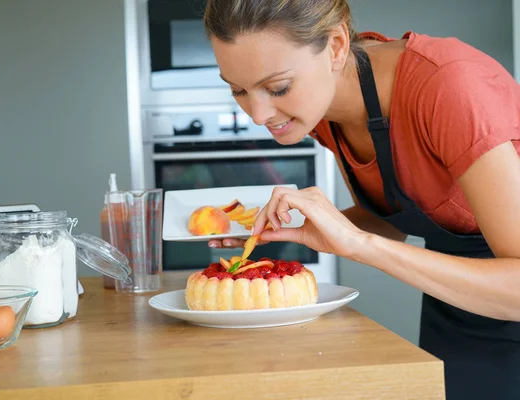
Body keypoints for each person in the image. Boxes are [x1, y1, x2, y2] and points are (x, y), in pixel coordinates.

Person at [203, 1, 520, 399]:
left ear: (336, 45)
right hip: (457, 303)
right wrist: (302, 231)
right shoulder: (324, 108)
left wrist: (360, 245)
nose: (257, 113)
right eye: (238, 89)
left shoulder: (448, 88)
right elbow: (398, 216)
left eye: (278, 87)